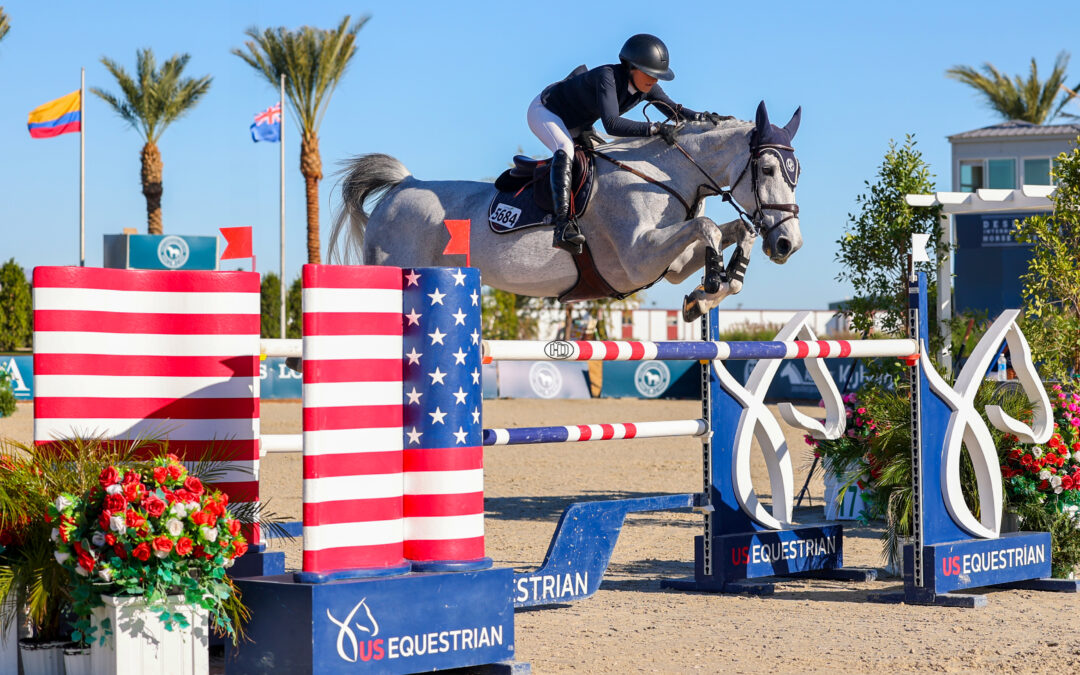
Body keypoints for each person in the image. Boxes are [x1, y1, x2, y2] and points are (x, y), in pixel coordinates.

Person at [528, 34, 721, 254]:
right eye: (649, 73)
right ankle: (563, 225)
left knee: (604, 157)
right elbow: (611, 124)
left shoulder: (647, 88)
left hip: (580, 123)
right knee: (565, 148)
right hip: (547, 111)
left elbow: (673, 110)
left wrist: (702, 118)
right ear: (631, 67)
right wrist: (654, 129)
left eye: (658, 76)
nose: (654, 80)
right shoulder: (607, 77)